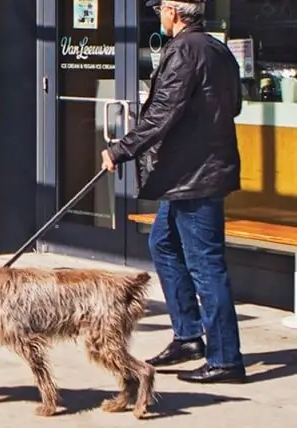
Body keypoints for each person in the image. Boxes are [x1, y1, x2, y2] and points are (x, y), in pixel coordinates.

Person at [101, 0, 246, 384]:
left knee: (205, 265)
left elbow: (163, 112)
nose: (157, 16)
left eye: (160, 9)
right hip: (193, 173)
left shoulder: (183, 50)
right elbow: (235, 105)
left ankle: (226, 358)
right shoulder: (218, 48)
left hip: (194, 176)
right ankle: (188, 336)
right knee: (163, 245)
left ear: (174, 12)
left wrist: (120, 149)